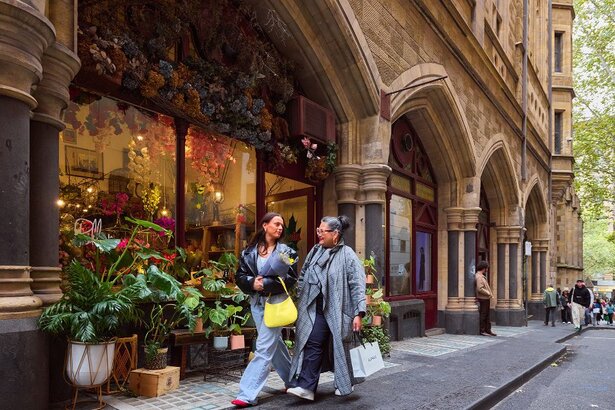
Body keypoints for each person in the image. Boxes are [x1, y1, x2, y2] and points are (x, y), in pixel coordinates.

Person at [286, 215, 366, 401]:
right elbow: (304, 273)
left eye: (323, 231)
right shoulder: (315, 251)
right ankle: (306, 387)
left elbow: (357, 285)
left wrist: (358, 313)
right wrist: (301, 292)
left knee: (341, 347)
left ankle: (346, 382)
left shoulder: (348, 255)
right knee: (313, 342)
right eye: (318, 231)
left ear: (335, 234)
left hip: (340, 310)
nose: (319, 235)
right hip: (317, 309)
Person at [232, 212, 298, 408]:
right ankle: (293, 380)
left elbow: (291, 278)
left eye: (282, 225)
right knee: (274, 344)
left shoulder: (286, 252)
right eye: (276, 223)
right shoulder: (249, 252)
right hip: (256, 304)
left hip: (275, 303)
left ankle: (247, 393)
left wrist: (266, 284)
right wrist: (252, 283)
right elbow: (240, 276)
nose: (280, 228)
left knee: (263, 348)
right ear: (265, 225)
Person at [475, 260, 496, 336]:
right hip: (483, 298)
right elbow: (480, 288)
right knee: (484, 315)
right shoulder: (479, 276)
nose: (487, 269)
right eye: (487, 268)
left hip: (485, 298)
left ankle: (488, 330)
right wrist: (488, 293)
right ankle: (482, 330)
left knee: (487, 314)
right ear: (484, 268)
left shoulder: (481, 276)